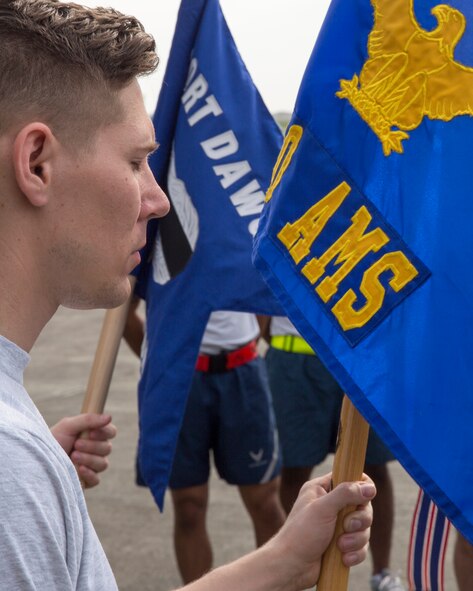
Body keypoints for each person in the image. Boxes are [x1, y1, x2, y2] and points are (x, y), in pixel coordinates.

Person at [0, 1, 375, 589]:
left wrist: (281, 561)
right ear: (37, 163)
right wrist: (23, 474)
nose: (159, 199)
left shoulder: (18, 456)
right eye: (136, 160)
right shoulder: (10, 464)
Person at [125, 307, 285, 583]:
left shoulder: (238, 259)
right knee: (189, 507)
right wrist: (163, 361)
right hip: (177, 381)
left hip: (241, 374)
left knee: (265, 503)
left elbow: (260, 294)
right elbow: (124, 309)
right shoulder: (155, 259)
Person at [264, 316, 406, 591]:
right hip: (295, 357)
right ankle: (295, 567)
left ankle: (382, 575)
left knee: (374, 468)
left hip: (362, 352)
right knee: (295, 468)